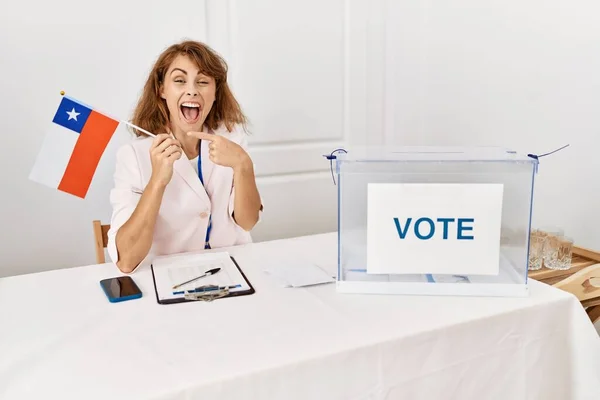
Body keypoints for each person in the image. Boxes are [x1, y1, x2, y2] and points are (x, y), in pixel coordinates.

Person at [106, 40, 263, 273]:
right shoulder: (133, 155)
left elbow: (247, 222)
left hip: (235, 267)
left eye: (202, 82)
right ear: (162, 90)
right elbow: (127, 261)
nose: (192, 90)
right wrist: (157, 181)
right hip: (170, 274)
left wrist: (243, 165)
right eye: (179, 80)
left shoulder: (232, 138)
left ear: (215, 92)